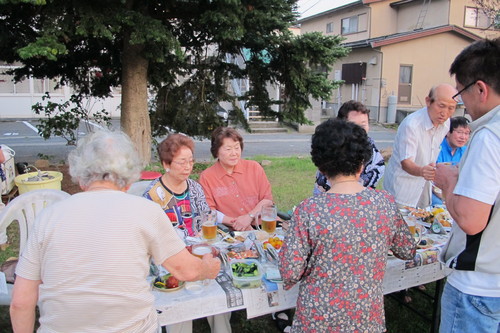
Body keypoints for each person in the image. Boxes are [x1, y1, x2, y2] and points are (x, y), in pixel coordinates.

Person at [10, 130, 221, 333]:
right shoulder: (146, 211)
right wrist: (208, 267)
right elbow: (188, 271)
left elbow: (20, 303)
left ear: (81, 176)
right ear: (129, 176)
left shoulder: (47, 217)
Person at [279, 119, 416, 333]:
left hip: (318, 319)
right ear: (362, 163)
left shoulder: (309, 210)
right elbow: (407, 250)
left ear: (320, 166)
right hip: (366, 319)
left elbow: (289, 271)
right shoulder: (385, 203)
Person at [434, 38, 500, 333]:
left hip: (478, 287)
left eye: (461, 94)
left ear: (481, 89)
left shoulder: (488, 136)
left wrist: (449, 182)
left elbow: (472, 221)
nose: (461, 106)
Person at [384, 83, 458, 208]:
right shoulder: (412, 125)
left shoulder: (446, 124)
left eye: (451, 108)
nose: (445, 113)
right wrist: (422, 171)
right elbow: (406, 162)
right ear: (428, 101)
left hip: (424, 185)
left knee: (424, 221)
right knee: (401, 224)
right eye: (441, 106)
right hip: (402, 188)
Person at [199, 127, 273, 231]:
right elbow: (209, 211)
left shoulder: (254, 167)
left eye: (237, 148)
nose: (234, 153)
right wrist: (237, 223)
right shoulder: (207, 177)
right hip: (230, 230)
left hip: (264, 225)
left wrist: (248, 217)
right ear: (216, 152)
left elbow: (267, 199)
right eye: (228, 149)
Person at [143, 134, 209, 239]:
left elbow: (206, 217)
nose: (188, 167)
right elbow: (150, 237)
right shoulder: (153, 195)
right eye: (182, 163)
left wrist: (202, 233)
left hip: (198, 247)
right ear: (166, 164)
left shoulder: (195, 187)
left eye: (190, 161)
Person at [314, 100, 385, 194]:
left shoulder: (375, 158)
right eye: (354, 125)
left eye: (363, 125)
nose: (359, 130)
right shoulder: (329, 146)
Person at [432, 116, 470, 205]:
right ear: (448, 132)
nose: (463, 137)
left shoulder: (467, 151)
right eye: (459, 132)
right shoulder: (436, 148)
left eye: (467, 133)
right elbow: (431, 179)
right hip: (435, 192)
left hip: (456, 194)